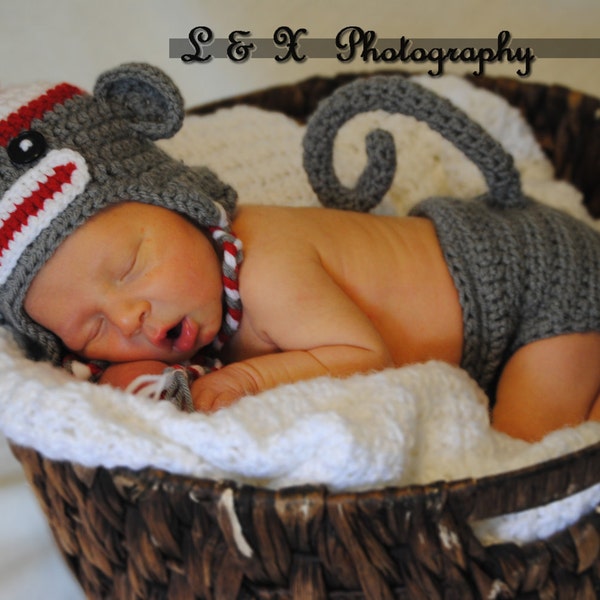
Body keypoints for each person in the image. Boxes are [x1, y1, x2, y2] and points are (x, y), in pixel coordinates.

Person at [2, 63, 600, 442]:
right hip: (490, 320)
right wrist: (126, 380)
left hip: (536, 286)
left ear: (179, 203)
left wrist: (247, 380)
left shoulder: (265, 266)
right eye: (91, 325)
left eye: (130, 267)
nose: (129, 317)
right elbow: (132, 390)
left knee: (520, 454)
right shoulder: (192, 302)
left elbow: (365, 356)